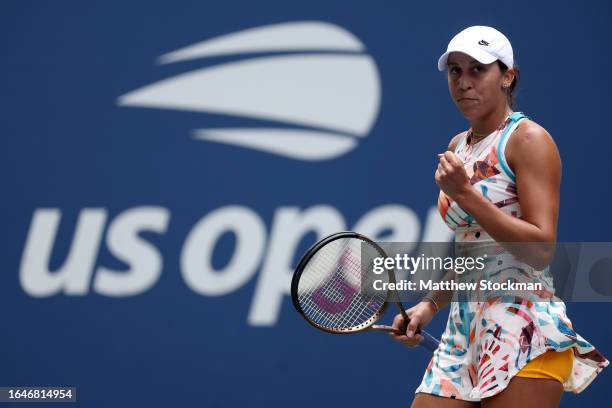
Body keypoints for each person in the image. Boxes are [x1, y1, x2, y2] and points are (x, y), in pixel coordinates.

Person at [389, 26, 608, 407]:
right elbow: (474, 251)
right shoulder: (459, 146)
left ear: (508, 76)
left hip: (523, 330)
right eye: (455, 71)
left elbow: (541, 248)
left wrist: (466, 195)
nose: (464, 82)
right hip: (464, 334)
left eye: (478, 70)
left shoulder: (528, 140)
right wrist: (429, 304)